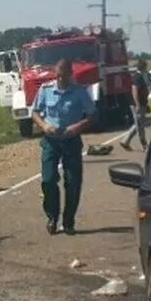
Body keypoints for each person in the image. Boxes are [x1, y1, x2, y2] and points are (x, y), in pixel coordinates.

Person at [31, 58, 95, 235]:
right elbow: (35, 112)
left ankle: (68, 221)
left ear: (70, 74)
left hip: (71, 139)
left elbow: (91, 115)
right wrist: (44, 126)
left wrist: (77, 126)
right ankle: (52, 216)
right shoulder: (45, 90)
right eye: (57, 75)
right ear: (55, 73)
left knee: (73, 183)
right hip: (51, 139)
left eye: (63, 75)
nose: (60, 78)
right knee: (48, 179)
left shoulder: (80, 92)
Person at [120, 58, 151, 151]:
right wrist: (137, 105)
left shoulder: (142, 76)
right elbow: (135, 92)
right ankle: (144, 145)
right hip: (137, 104)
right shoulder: (137, 77)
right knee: (140, 125)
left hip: (142, 103)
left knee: (139, 123)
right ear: (143, 67)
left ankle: (125, 141)